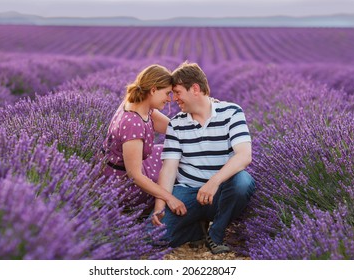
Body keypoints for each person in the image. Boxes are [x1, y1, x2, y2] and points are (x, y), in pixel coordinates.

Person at [151, 62, 256, 254]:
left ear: (195, 89)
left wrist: (213, 182)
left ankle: (215, 234)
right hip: (188, 194)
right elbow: (169, 169)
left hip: (221, 192)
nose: (174, 99)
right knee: (154, 237)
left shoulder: (232, 112)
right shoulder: (176, 125)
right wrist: (161, 203)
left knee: (243, 182)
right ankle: (195, 228)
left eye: (178, 92)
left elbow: (244, 155)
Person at [101, 64, 186, 214]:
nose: (169, 99)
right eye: (167, 93)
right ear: (153, 90)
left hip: (131, 168)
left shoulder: (140, 105)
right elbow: (135, 176)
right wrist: (169, 197)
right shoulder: (133, 123)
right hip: (122, 185)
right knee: (175, 171)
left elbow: (173, 128)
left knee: (172, 153)